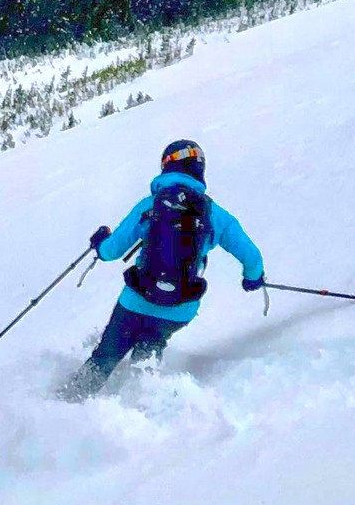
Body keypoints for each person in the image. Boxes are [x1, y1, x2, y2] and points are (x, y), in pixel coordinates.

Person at [68, 139, 264, 395]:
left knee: (105, 356)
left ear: (167, 166)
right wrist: (253, 278)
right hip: (179, 309)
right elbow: (252, 256)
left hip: (136, 301)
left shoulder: (150, 206)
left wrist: (99, 244)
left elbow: (112, 250)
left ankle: (69, 400)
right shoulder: (216, 215)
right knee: (150, 350)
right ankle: (140, 403)